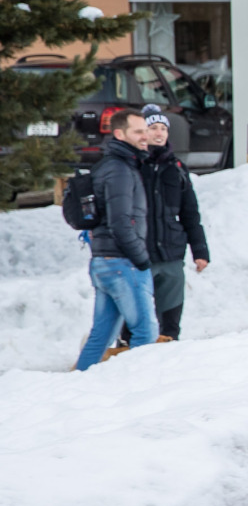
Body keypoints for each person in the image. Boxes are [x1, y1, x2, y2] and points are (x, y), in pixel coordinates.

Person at [75, 107, 159, 369]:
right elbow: (121, 223)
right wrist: (142, 260)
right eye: (138, 132)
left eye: (146, 130)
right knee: (145, 333)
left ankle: (78, 384)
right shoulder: (120, 170)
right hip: (122, 263)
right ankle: (136, 391)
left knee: (101, 335)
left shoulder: (111, 166)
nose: (145, 136)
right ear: (120, 134)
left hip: (104, 261)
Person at [138, 105, 210, 340]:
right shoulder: (132, 165)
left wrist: (199, 250)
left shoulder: (177, 168)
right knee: (136, 319)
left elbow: (190, 213)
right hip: (139, 254)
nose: (159, 134)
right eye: (152, 128)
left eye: (163, 129)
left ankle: (170, 354)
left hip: (171, 253)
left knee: (170, 322)